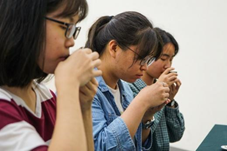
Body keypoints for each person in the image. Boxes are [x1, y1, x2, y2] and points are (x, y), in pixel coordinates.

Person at [0, 0, 102, 151]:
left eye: (74, 29)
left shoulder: (45, 96)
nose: (72, 41)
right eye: (65, 26)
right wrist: (69, 84)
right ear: (25, 22)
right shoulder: (3, 108)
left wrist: (84, 107)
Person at [85, 11, 171, 151]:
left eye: (148, 60)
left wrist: (147, 116)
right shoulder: (85, 88)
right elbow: (100, 147)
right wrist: (141, 102)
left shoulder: (125, 88)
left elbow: (136, 145)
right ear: (114, 48)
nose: (144, 67)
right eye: (141, 58)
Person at [128, 27, 185, 151]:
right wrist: (158, 92)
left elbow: (176, 135)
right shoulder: (130, 88)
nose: (168, 65)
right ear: (147, 57)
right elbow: (139, 137)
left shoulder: (161, 87)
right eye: (163, 59)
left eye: (171, 59)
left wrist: (170, 102)